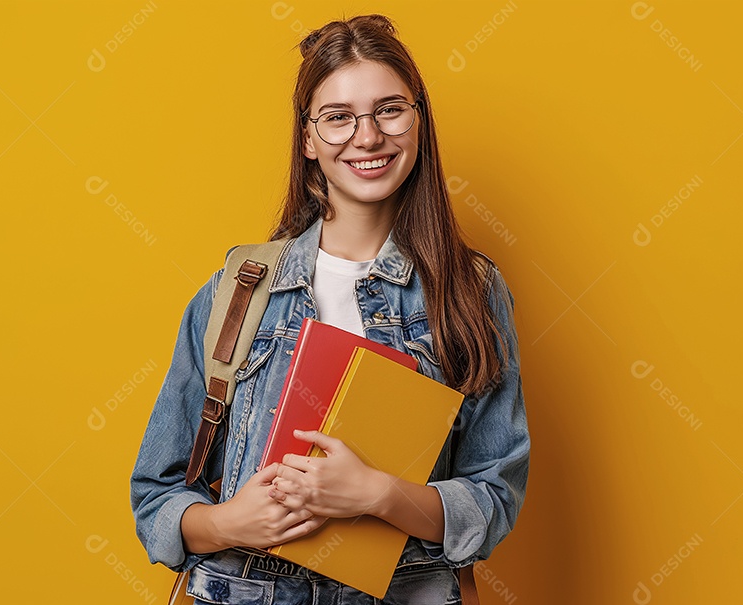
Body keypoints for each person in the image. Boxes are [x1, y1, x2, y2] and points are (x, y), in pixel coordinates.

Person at [130, 14, 529, 604]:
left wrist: (380, 495)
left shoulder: (469, 290)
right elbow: (156, 497)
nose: (367, 138)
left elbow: (494, 496)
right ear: (309, 139)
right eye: (338, 118)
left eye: (389, 110)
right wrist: (227, 524)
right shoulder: (238, 290)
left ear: (419, 122)